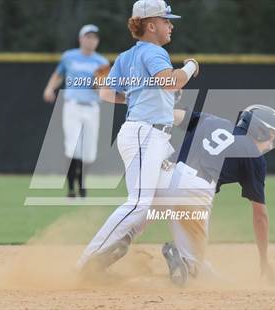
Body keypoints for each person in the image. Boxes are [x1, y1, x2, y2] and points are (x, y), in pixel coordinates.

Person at [76, 0, 200, 271]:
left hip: (148, 135)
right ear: (150, 25)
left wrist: (137, 97)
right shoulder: (154, 53)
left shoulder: (126, 57)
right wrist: (190, 66)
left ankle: (120, 244)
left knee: (166, 195)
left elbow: (107, 94)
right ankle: (86, 263)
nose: (171, 25)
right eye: (166, 20)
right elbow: (173, 81)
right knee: (140, 203)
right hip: (146, 135)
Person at [152, 104, 275, 286]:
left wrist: (147, 109)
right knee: (193, 270)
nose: (271, 144)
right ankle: (184, 259)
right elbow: (260, 216)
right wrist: (264, 259)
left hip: (162, 178)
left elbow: (176, 115)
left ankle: (104, 257)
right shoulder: (254, 156)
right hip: (193, 193)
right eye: (271, 137)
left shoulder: (215, 121)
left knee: (133, 220)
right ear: (259, 130)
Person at [43, 24, 109, 198]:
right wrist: (49, 88)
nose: (91, 40)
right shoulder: (69, 57)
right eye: (88, 36)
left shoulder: (101, 61)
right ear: (81, 39)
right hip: (73, 106)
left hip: (92, 108)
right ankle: (72, 188)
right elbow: (59, 75)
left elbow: (101, 89)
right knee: (72, 147)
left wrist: (98, 84)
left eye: (94, 37)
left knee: (88, 152)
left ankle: (83, 182)